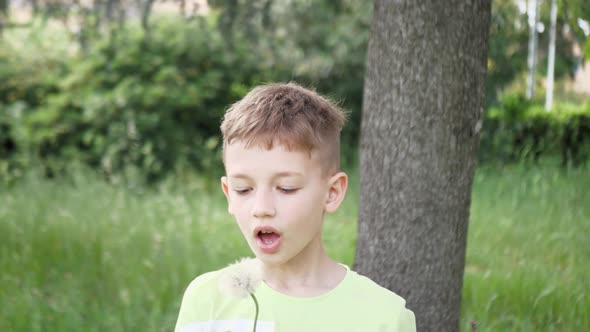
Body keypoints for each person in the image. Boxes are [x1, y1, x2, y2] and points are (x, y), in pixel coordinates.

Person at [174, 83, 416, 332]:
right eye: (243, 189)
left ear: (332, 193)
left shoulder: (383, 316)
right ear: (228, 195)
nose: (262, 208)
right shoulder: (206, 301)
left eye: (286, 188)